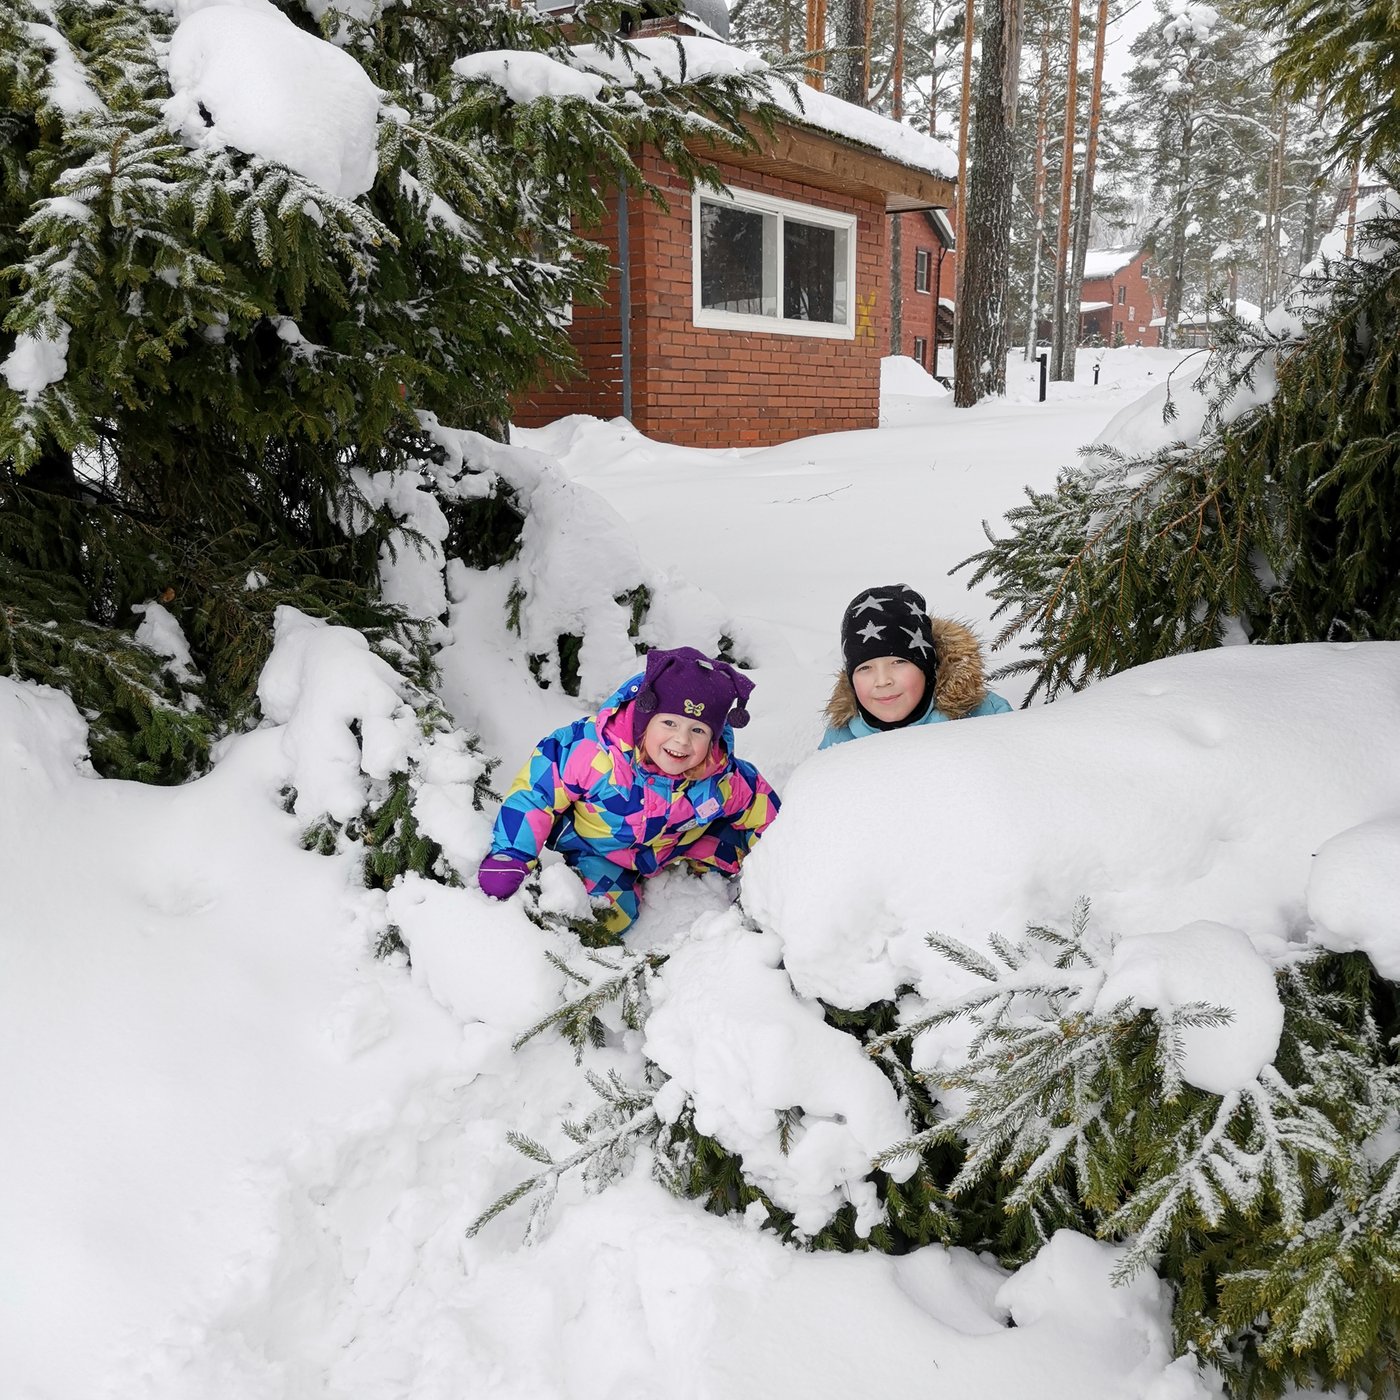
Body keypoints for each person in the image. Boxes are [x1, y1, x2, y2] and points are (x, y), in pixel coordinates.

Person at [476, 646, 779, 933]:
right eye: (669, 723)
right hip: (601, 850)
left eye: (698, 730)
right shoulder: (592, 752)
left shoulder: (720, 775)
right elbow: (535, 795)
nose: (682, 741)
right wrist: (511, 854)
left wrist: (782, 860)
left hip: (676, 845)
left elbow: (763, 810)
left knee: (747, 853)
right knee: (609, 914)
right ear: (645, 719)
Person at [819, 583, 1011, 748]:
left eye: (898, 662)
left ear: (927, 667)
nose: (883, 680)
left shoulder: (986, 717)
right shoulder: (840, 739)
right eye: (865, 668)